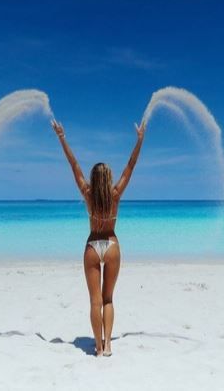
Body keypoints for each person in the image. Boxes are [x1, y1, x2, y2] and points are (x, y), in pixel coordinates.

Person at [51, 118, 146, 357]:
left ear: (94, 179)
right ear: (109, 178)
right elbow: (131, 166)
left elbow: (73, 165)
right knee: (108, 299)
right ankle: (110, 345)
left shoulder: (87, 193)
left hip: (93, 245)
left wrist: (62, 138)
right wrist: (140, 140)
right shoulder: (115, 194)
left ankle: (99, 346)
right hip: (111, 244)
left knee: (94, 301)